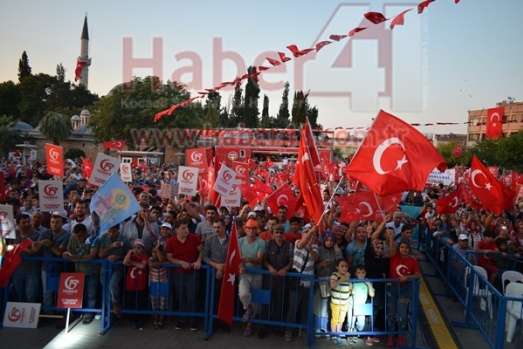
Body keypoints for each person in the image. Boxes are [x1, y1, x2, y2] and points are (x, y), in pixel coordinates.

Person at [166, 218, 203, 331]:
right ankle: (182, 319)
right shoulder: (171, 241)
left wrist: (198, 261)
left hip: (192, 273)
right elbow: (169, 257)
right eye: (183, 228)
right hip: (178, 273)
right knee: (181, 296)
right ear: (176, 230)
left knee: (192, 296)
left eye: (186, 227)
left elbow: (201, 250)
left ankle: (193, 319)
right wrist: (181, 262)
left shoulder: (194, 238)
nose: (186, 230)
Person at [284, 225, 319, 342]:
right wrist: (311, 231)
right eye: (306, 232)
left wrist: (310, 249)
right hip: (296, 282)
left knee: (305, 309)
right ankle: (289, 330)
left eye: (311, 233)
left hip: (308, 283)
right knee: (293, 308)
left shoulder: (315, 247)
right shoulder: (298, 243)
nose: (309, 234)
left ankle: (303, 330)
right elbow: (301, 243)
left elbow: (316, 257)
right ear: (303, 234)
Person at [260, 223, 293, 338]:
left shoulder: (289, 246)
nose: (279, 235)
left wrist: (286, 268)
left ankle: (276, 326)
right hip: (269, 278)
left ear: (284, 234)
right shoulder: (268, 244)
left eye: (281, 232)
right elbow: (263, 260)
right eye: (277, 232)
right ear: (273, 234)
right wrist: (269, 267)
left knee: (280, 303)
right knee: (266, 302)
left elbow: (291, 261)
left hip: (282, 279)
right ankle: (264, 327)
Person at [63, 223, 100, 324]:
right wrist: (67, 254)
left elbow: (92, 255)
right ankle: (77, 312)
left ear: (86, 233)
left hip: (92, 271)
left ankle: (89, 313)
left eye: (80, 236)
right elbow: (69, 250)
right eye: (76, 236)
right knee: (78, 293)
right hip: (78, 271)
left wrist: (79, 258)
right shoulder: (72, 238)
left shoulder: (93, 239)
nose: (78, 238)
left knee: (91, 294)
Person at [386, 241, 421, 347]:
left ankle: (401, 334)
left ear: (409, 249)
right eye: (402, 247)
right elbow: (391, 249)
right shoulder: (394, 256)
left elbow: (417, 275)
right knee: (391, 312)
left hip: (405, 289)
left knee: (402, 313)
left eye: (406, 247)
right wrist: (391, 237)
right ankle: (390, 336)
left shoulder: (412, 260)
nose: (404, 249)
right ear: (398, 248)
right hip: (392, 287)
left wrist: (407, 277)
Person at [32, 213, 70, 308]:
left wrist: (51, 245)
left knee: (60, 291)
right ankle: (48, 311)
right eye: (52, 222)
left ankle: (61, 312)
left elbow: (59, 252)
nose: (54, 224)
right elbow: (35, 250)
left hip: (60, 268)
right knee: (47, 291)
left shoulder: (66, 235)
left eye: (57, 222)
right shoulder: (44, 233)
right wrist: (36, 245)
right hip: (46, 267)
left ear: (62, 223)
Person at [238, 218, 266, 337]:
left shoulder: (261, 242)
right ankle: (247, 310)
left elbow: (260, 259)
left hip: (257, 274)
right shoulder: (240, 241)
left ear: (256, 230)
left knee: (255, 302)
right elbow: (237, 258)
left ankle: (250, 324)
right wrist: (240, 266)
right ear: (245, 229)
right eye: (248, 228)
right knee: (243, 294)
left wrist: (249, 259)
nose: (250, 230)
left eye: (253, 228)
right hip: (244, 274)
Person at [97, 224, 131, 319]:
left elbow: (129, 254)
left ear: (118, 229)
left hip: (117, 268)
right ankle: (111, 313)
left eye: (114, 231)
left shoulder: (124, 239)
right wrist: (111, 247)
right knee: (106, 291)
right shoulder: (104, 237)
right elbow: (100, 254)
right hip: (104, 268)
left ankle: (116, 303)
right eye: (110, 231)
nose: (111, 234)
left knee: (112, 285)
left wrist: (118, 258)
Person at [6, 213, 41, 303]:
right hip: (17, 270)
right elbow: (9, 250)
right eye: (23, 222)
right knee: (19, 295)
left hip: (32, 270)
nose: (27, 224)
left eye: (28, 222)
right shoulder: (14, 234)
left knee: (30, 295)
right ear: (18, 224)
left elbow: (34, 251)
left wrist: (18, 247)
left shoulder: (36, 234)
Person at [202, 219, 230, 330]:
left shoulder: (232, 240)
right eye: (215, 227)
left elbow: (233, 257)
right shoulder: (210, 240)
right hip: (213, 275)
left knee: (225, 299)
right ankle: (213, 322)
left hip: (227, 275)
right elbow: (205, 257)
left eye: (218, 227)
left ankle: (225, 322)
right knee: (213, 298)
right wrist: (216, 266)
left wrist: (222, 268)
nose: (216, 230)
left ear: (224, 227)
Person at [347, 265, 376, 346]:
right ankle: (350, 334)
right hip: (352, 304)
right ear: (355, 274)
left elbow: (372, 294)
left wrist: (368, 284)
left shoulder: (368, 282)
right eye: (359, 273)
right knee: (350, 321)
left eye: (363, 272)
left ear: (365, 273)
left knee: (361, 324)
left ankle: (355, 330)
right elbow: (349, 289)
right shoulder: (353, 281)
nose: (361, 274)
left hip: (361, 306)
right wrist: (351, 289)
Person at [124, 238, 149, 329]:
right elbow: (125, 262)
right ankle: (133, 320)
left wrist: (133, 263)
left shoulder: (144, 256)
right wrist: (129, 252)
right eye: (134, 247)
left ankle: (140, 319)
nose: (136, 249)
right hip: (130, 284)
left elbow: (142, 265)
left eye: (139, 248)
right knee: (131, 303)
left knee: (140, 302)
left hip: (140, 284)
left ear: (142, 249)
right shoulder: (132, 256)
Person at [329, 259, 352, 346]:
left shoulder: (348, 275)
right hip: (335, 302)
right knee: (335, 318)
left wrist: (351, 287)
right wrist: (341, 280)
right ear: (337, 267)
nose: (344, 268)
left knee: (341, 319)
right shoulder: (335, 275)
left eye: (346, 266)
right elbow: (332, 285)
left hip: (345, 302)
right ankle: (333, 335)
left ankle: (338, 334)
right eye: (342, 266)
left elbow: (349, 285)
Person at [149, 242, 168, 329]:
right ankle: (155, 319)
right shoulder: (150, 259)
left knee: (162, 304)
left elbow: (161, 260)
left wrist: (157, 250)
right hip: (153, 283)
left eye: (156, 252)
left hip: (163, 283)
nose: (154, 254)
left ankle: (161, 320)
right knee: (154, 304)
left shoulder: (163, 259)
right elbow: (152, 264)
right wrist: (160, 262)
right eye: (153, 251)